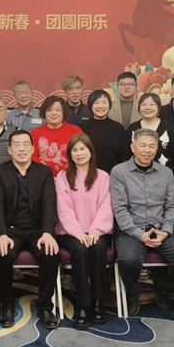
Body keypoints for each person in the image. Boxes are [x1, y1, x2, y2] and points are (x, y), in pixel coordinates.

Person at [112, 129, 174, 316]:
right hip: (131, 229)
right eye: (142, 145)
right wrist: (139, 235)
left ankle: (163, 288)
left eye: (151, 146)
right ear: (133, 147)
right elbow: (120, 209)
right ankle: (132, 293)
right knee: (128, 260)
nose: (147, 150)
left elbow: (171, 206)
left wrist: (165, 231)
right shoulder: (119, 172)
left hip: (161, 228)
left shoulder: (166, 172)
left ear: (157, 149)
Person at [0, 130, 60, 329]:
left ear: (32, 148)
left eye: (25, 144)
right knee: (2, 253)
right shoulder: (0, 171)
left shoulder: (44, 172)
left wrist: (47, 232)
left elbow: (49, 204)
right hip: (10, 229)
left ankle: (45, 306)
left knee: (50, 253)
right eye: (17, 145)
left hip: (37, 230)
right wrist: (1, 234)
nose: (21, 149)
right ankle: (7, 304)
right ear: (9, 150)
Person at [55, 134, 114, 328]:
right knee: (79, 250)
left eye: (83, 149)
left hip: (98, 230)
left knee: (98, 249)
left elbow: (106, 206)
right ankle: (83, 304)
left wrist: (96, 229)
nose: (79, 153)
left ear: (91, 151)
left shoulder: (103, 176)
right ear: (70, 154)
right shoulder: (63, 177)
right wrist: (78, 232)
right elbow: (63, 208)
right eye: (75, 150)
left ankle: (98, 301)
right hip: (70, 232)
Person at [127, 93, 174, 174]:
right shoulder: (132, 128)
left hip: (164, 174)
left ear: (158, 108)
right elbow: (126, 154)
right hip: (136, 174)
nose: (147, 108)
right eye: (144, 104)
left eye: (152, 104)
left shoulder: (169, 128)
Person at [31, 96, 83, 176]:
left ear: (63, 112)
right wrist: (47, 176)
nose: (54, 113)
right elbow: (31, 156)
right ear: (44, 113)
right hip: (42, 177)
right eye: (49, 110)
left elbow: (81, 154)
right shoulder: (35, 132)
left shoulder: (75, 131)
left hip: (70, 177)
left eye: (58, 110)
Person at [80, 90, 128, 173]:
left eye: (104, 102)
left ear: (109, 105)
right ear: (90, 105)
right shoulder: (82, 128)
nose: (100, 106)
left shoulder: (118, 128)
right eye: (96, 103)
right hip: (87, 175)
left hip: (113, 175)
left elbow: (124, 156)